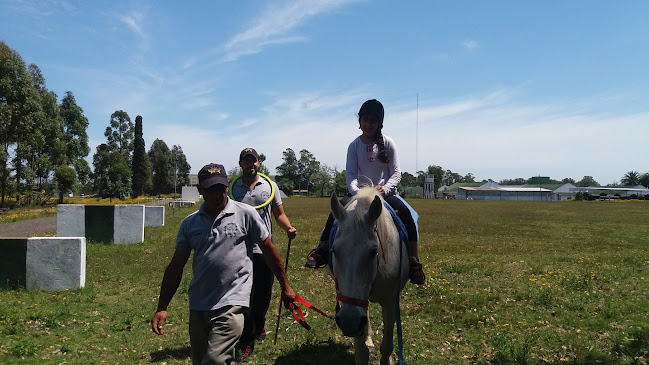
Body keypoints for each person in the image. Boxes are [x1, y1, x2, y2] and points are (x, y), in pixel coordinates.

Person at [151, 163, 296, 365]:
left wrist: (285, 287)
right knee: (201, 361)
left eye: (221, 188)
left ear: (228, 185)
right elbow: (176, 266)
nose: (217, 194)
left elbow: (269, 251)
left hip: (233, 301)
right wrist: (162, 307)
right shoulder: (190, 223)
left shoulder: (246, 214)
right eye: (211, 189)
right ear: (200, 189)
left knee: (214, 361)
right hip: (200, 304)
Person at [304, 99, 426, 285]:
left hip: (386, 194)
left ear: (379, 123)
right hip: (359, 193)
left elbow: (396, 173)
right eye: (365, 119)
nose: (369, 124)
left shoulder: (388, 143)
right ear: (360, 121)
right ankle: (322, 249)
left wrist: (384, 189)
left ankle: (413, 260)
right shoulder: (354, 146)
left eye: (373, 120)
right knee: (335, 214)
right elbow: (351, 175)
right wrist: (358, 192)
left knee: (407, 216)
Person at [230, 147, 297, 357]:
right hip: (241, 250)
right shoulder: (233, 189)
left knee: (263, 295)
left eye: (254, 160)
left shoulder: (270, 186)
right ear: (240, 164)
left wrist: (288, 228)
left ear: (259, 163)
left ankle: (259, 323)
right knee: (246, 297)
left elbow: (279, 214)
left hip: (264, 249)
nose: (250, 164)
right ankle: (247, 340)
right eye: (246, 161)